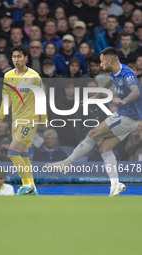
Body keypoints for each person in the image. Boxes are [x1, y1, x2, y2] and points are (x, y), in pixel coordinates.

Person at [47, 47, 142, 197]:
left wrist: (123, 101)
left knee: (93, 133)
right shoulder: (115, 71)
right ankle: (116, 184)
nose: (101, 65)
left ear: (110, 60)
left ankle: (66, 163)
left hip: (127, 117)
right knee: (105, 147)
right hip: (129, 118)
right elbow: (110, 82)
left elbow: (135, 91)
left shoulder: (127, 74)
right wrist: (97, 96)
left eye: (102, 61)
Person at [0, 44, 46, 195]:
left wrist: (43, 119)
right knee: (23, 154)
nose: (16, 59)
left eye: (19, 56)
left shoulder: (34, 77)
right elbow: (6, 98)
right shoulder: (8, 76)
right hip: (15, 120)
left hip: (29, 120)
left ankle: (26, 184)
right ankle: (32, 187)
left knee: (12, 152)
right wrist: (0, 117)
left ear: (26, 58)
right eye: (14, 57)